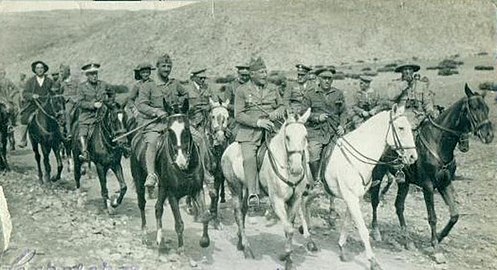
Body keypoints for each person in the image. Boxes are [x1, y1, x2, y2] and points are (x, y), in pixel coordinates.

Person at [234, 56, 285, 208]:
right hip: (250, 133)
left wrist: (277, 112)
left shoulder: (272, 89)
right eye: (261, 72)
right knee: (249, 159)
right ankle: (252, 193)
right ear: (252, 74)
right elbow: (238, 114)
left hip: (272, 130)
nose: (264, 75)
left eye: (265, 71)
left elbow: (282, 106)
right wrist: (257, 122)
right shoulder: (241, 90)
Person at [304, 66, 347, 185]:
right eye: (324, 78)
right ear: (318, 79)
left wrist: (342, 126)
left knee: (345, 151)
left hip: (334, 131)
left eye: (330, 78)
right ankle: (316, 179)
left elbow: (343, 112)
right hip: (316, 131)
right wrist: (317, 117)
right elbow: (303, 113)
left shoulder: (338, 93)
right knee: (313, 152)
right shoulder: (310, 94)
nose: (327, 81)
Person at [75, 63, 112, 161]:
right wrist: (93, 105)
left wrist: (109, 103)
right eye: (91, 74)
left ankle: (122, 148)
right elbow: (79, 102)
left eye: (95, 73)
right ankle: (84, 152)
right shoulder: (82, 87)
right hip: (87, 116)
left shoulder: (103, 84)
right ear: (87, 75)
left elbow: (112, 92)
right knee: (83, 133)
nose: (94, 76)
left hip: (103, 115)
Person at [18, 61, 55, 148]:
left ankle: (61, 136)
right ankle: (23, 139)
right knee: (25, 117)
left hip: (47, 105)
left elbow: (54, 91)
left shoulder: (49, 81)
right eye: (37, 68)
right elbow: (25, 93)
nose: (40, 70)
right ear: (35, 70)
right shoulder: (30, 81)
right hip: (34, 105)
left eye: (41, 68)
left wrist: (51, 94)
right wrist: (32, 96)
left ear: (44, 69)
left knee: (58, 116)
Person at [386, 63, 434, 129]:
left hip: (420, 116)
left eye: (410, 69)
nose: (408, 71)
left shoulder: (422, 85)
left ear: (413, 71)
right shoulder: (395, 84)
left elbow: (427, 101)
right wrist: (404, 83)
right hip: (402, 115)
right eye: (405, 69)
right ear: (401, 71)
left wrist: (429, 110)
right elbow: (391, 96)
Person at [59, 64, 79, 141]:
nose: (61, 73)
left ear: (67, 71)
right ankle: (69, 132)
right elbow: (61, 94)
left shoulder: (75, 80)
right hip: (68, 102)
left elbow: (79, 90)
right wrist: (68, 98)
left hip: (77, 100)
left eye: (62, 71)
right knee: (67, 113)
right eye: (60, 72)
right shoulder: (61, 82)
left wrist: (77, 99)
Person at [0, 67, 19, 134]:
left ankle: (10, 125)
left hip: (7, 99)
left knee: (14, 108)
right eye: (0, 73)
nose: (2, 75)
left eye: (3, 73)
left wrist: (11, 94)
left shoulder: (7, 80)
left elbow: (16, 88)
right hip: (1, 100)